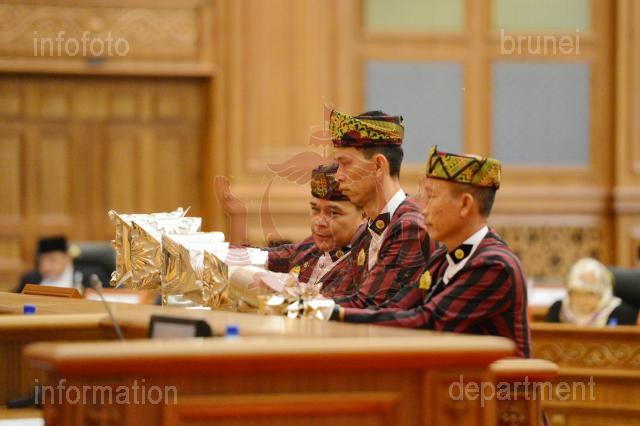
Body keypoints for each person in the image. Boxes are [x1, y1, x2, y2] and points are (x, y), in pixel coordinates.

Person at [325, 146, 531, 358]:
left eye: (431, 197)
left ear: (465, 204)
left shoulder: (493, 265)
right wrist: (325, 309)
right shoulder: (442, 258)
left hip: (496, 380)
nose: (423, 209)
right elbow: (397, 306)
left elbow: (428, 321)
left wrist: (336, 314)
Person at [324, 108, 436, 308]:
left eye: (345, 164)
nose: (338, 176)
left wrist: (297, 305)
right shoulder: (364, 232)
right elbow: (336, 293)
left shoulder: (410, 227)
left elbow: (367, 304)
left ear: (378, 166)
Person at [267, 163, 365, 296]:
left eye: (333, 213)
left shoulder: (369, 262)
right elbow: (261, 256)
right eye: (315, 209)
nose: (319, 222)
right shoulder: (311, 245)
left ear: (364, 215)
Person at [546, 257, 639, 326]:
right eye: (577, 294)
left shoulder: (622, 313)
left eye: (589, 294)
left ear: (602, 293)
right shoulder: (559, 310)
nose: (582, 301)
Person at [15, 236, 106, 293]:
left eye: (52, 260)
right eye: (41, 261)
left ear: (67, 258)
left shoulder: (91, 278)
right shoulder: (30, 279)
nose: (46, 267)